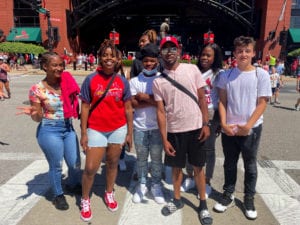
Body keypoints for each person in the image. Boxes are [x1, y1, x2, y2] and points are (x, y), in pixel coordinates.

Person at [152, 36, 213, 225]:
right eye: (165, 49)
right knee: (176, 168)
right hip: (175, 131)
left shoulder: (192, 69)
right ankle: (177, 199)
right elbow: (161, 112)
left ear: (179, 51)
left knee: (198, 168)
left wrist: (206, 124)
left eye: (172, 49)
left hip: (195, 128)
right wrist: (164, 139)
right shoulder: (158, 81)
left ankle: (203, 203)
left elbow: (202, 98)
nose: (169, 52)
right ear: (160, 54)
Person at [214, 36, 271, 220]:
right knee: (229, 163)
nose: (243, 54)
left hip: (251, 128)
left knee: (250, 164)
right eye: (240, 51)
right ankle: (228, 194)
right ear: (235, 53)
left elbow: (262, 103)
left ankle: (248, 198)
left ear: (254, 53)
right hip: (229, 128)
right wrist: (223, 123)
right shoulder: (226, 75)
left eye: (247, 51)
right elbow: (222, 101)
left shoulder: (260, 74)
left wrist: (248, 125)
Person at [16, 52, 82, 210]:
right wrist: (35, 113)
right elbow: (38, 118)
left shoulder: (66, 81)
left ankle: (73, 184)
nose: (59, 68)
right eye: (55, 65)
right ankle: (58, 195)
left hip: (68, 127)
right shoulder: (36, 89)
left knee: (75, 163)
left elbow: (78, 98)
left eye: (61, 64)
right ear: (45, 67)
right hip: (49, 130)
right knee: (56, 165)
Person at [79, 39, 133, 222]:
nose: (108, 59)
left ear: (118, 58)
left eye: (112, 55)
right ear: (100, 58)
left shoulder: (121, 81)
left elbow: (127, 109)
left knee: (112, 163)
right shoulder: (91, 79)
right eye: (105, 55)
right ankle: (85, 199)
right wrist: (84, 133)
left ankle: (109, 192)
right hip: (96, 129)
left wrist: (129, 133)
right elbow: (85, 107)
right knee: (91, 168)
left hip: (118, 128)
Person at [180, 43, 223, 198]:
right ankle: (190, 177)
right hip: (193, 112)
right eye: (203, 54)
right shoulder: (194, 71)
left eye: (208, 55)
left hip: (211, 114)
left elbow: (223, 98)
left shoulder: (219, 74)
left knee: (209, 149)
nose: (204, 58)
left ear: (215, 57)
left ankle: (206, 181)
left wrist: (219, 121)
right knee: (190, 147)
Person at [130, 43, 165, 204]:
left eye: (152, 61)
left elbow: (164, 103)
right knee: (141, 158)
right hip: (140, 126)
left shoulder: (162, 80)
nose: (149, 64)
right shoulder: (135, 81)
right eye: (146, 61)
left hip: (158, 127)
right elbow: (133, 104)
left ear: (157, 61)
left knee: (157, 158)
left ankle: (156, 185)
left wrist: (144, 97)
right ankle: (142, 184)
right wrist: (153, 100)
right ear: (141, 62)